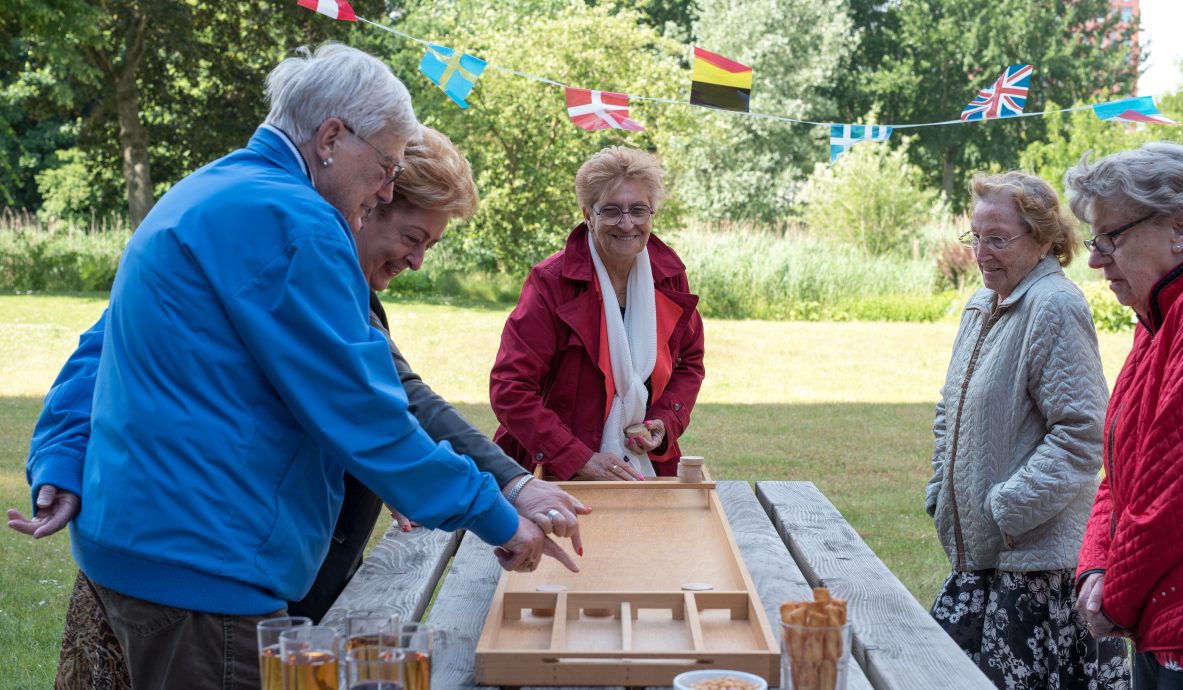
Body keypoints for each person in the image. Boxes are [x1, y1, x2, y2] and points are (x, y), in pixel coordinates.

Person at [5, 43, 568, 690]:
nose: (387, 187)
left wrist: (58, 456)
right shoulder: (296, 221)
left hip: (138, 552)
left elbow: (100, 349)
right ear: (331, 136)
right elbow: (363, 413)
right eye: (385, 166)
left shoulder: (202, 189)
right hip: (207, 572)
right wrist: (493, 513)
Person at [925, 171, 1129, 688]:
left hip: (1035, 569)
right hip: (983, 560)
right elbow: (950, 410)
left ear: (1043, 240)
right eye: (976, 237)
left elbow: (1083, 433)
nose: (982, 253)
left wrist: (1007, 508)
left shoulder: (1055, 306)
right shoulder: (980, 306)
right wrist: (939, 494)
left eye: (998, 239)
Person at [1067, 143, 1183, 688]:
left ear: (1180, 228)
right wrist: (1097, 566)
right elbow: (1125, 467)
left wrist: (1115, 597)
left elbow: (1181, 488)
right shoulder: (1166, 309)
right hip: (1176, 619)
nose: (1096, 259)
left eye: (1112, 238)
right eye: (1095, 240)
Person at [489, 146, 704, 481]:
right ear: (587, 214)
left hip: (645, 466)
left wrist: (664, 421)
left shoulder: (669, 274)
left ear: (652, 214)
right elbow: (510, 387)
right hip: (550, 473)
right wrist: (576, 458)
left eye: (638, 210)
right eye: (611, 211)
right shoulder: (550, 282)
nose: (627, 223)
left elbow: (689, 361)